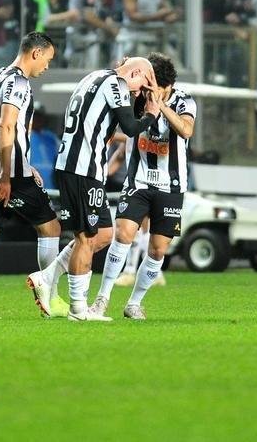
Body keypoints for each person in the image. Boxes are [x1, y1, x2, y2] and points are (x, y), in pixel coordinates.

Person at [26, 56, 160, 321]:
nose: (138, 93)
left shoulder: (94, 77)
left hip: (79, 167)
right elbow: (131, 127)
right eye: (141, 86)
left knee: (103, 235)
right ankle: (78, 309)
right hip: (82, 169)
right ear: (134, 73)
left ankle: (47, 276)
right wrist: (152, 114)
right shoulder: (116, 83)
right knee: (86, 239)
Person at [0, 32, 61, 320]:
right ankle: (52, 298)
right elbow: (6, 126)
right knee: (51, 228)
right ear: (35, 53)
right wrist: (7, 175)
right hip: (8, 173)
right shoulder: (19, 82)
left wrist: (25, 164)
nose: (47, 66)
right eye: (47, 59)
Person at [90, 53, 194, 320]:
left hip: (171, 186)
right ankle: (102, 299)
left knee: (158, 249)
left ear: (168, 86)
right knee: (123, 234)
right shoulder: (136, 97)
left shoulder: (184, 101)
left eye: (153, 87)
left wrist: (160, 105)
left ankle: (134, 303)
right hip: (138, 180)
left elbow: (186, 130)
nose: (147, 91)